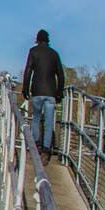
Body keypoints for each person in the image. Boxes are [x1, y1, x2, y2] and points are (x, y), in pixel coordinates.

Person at [21, 29, 64, 164]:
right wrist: (59, 92)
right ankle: (46, 151)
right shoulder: (54, 54)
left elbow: (28, 71)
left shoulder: (33, 51)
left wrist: (25, 89)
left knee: (36, 118)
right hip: (51, 93)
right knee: (49, 122)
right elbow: (60, 75)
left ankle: (36, 146)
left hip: (37, 91)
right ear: (48, 40)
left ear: (37, 40)